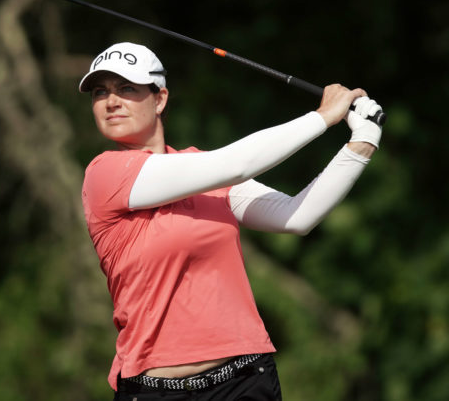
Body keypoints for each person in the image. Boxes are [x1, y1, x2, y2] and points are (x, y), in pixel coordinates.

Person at [79, 42, 382, 400]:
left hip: (243, 380)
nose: (111, 101)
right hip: (153, 390)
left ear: (159, 99)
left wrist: (362, 142)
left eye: (126, 88)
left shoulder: (207, 172)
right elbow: (235, 164)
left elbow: (297, 216)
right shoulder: (105, 174)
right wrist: (323, 117)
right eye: (101, 92)